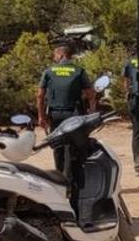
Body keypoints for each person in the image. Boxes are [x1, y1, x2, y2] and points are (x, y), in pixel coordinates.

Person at [36, 41, 95, 172]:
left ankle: (59, 177)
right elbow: (90, 94)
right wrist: (92, 111)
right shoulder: (79, 71)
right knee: (73, 147)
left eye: (55, 55)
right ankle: (72, 179)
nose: (54, 58)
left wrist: (41, 116)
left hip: (55, 114)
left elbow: (40, 96)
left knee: (58, 146)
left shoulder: (49, 72)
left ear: (61, 55)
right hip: (74, 114)